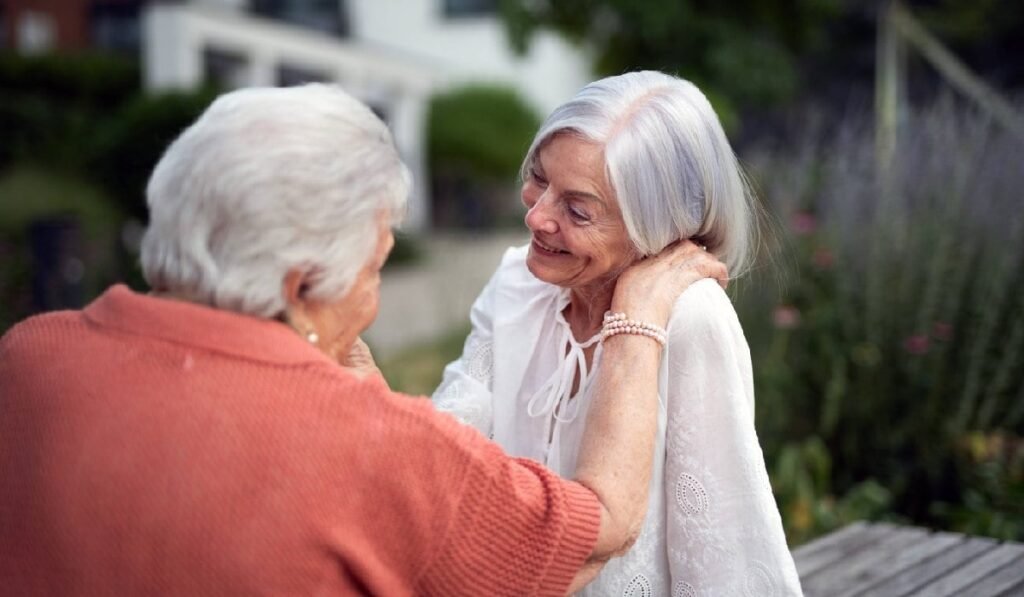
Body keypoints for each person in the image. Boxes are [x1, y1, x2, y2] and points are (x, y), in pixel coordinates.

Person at [0, 84, 726, 596]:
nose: (375, 298)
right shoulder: (379, 456)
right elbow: (599, 528)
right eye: (375, 268)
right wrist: (639, 312)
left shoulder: (30, 356)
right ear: (301, 286)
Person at [433, 71, 804, 596]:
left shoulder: (693, 316)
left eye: (577, 209)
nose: (537, 216)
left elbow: (722, 548)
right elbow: (447, 447)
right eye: (539, 179)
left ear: (658, 227)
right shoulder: (518, 280)